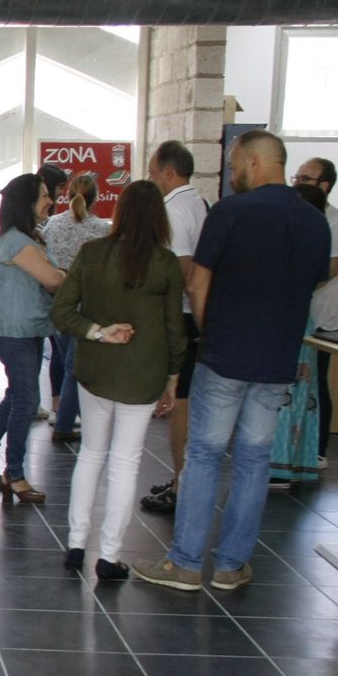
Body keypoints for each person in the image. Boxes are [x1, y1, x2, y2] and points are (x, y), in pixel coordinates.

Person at [133, 130, 331, 591]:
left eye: (236, 164)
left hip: (225, 354)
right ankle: (230, 565)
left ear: (256, 163)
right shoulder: (314, 222)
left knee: (203, 455)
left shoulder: (230, 212)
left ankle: (184, 563)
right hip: (278, 357)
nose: (232, 172)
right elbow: (312, 284)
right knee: (254, 460)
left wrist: (211, 330)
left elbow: (198, 285)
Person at [50, 181, 185, 581]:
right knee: (125, 463)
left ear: (120, 212)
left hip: (94, 371)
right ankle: (108, 556)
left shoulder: (91, 254)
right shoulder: (165, 263)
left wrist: (98, 332)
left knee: (91, 453)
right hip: (144, 374)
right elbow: (175, 328)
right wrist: (173, 375)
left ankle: (76, 544)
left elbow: (62, 312)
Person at [0, 174, 67, 502]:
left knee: (16, 397)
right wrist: (66, 276)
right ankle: (15, 473)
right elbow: (52, 279)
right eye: (43, 196)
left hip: (28, 329)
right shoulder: (17, 242)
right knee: (25, 401)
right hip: (15, 332)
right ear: (26, 202)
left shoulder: (28, 238)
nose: (50, 201)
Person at [140, 140, 209, 514]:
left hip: (182, 315)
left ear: (169, 172)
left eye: (153, 173)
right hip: (192, 314)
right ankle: (184, 477)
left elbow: (184, 272)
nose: (153, 180)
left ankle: (183, 482)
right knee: (184, 399)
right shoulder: (199, 203)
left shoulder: (173, 210)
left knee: (179, 400)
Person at [293, 157, 338, 463]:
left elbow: (329, 269)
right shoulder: (297, 217)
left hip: (321, 320)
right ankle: (291, 448)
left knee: (317, 386)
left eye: (305, 179)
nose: (298, 183)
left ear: (324, 185)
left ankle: (318, 451)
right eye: (297, 177)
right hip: (294, 317)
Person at [42, 172, 113, 444]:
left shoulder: (51, 225)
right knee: (75, 364)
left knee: (64, 360)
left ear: (66, 195)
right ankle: (65, 422)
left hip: (56, 303)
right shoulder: (103, 230)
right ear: (95, 199)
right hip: (88, 306)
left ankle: (61, 412)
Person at [268, 184, 330, 485]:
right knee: (299, 394)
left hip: (286, 321)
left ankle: (278, 464)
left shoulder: (293, 239)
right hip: (301, 318)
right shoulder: (318, 236)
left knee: (285, 393)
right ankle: (295, 460)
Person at [37, 163, 70, 423]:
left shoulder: (52, 222)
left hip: (51, 296)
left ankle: (54, 405)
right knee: (59, 352)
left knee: (53, 352)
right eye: (58, 188)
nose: (58, 195)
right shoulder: (36, 228)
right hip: (50, 293)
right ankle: (61, 407)